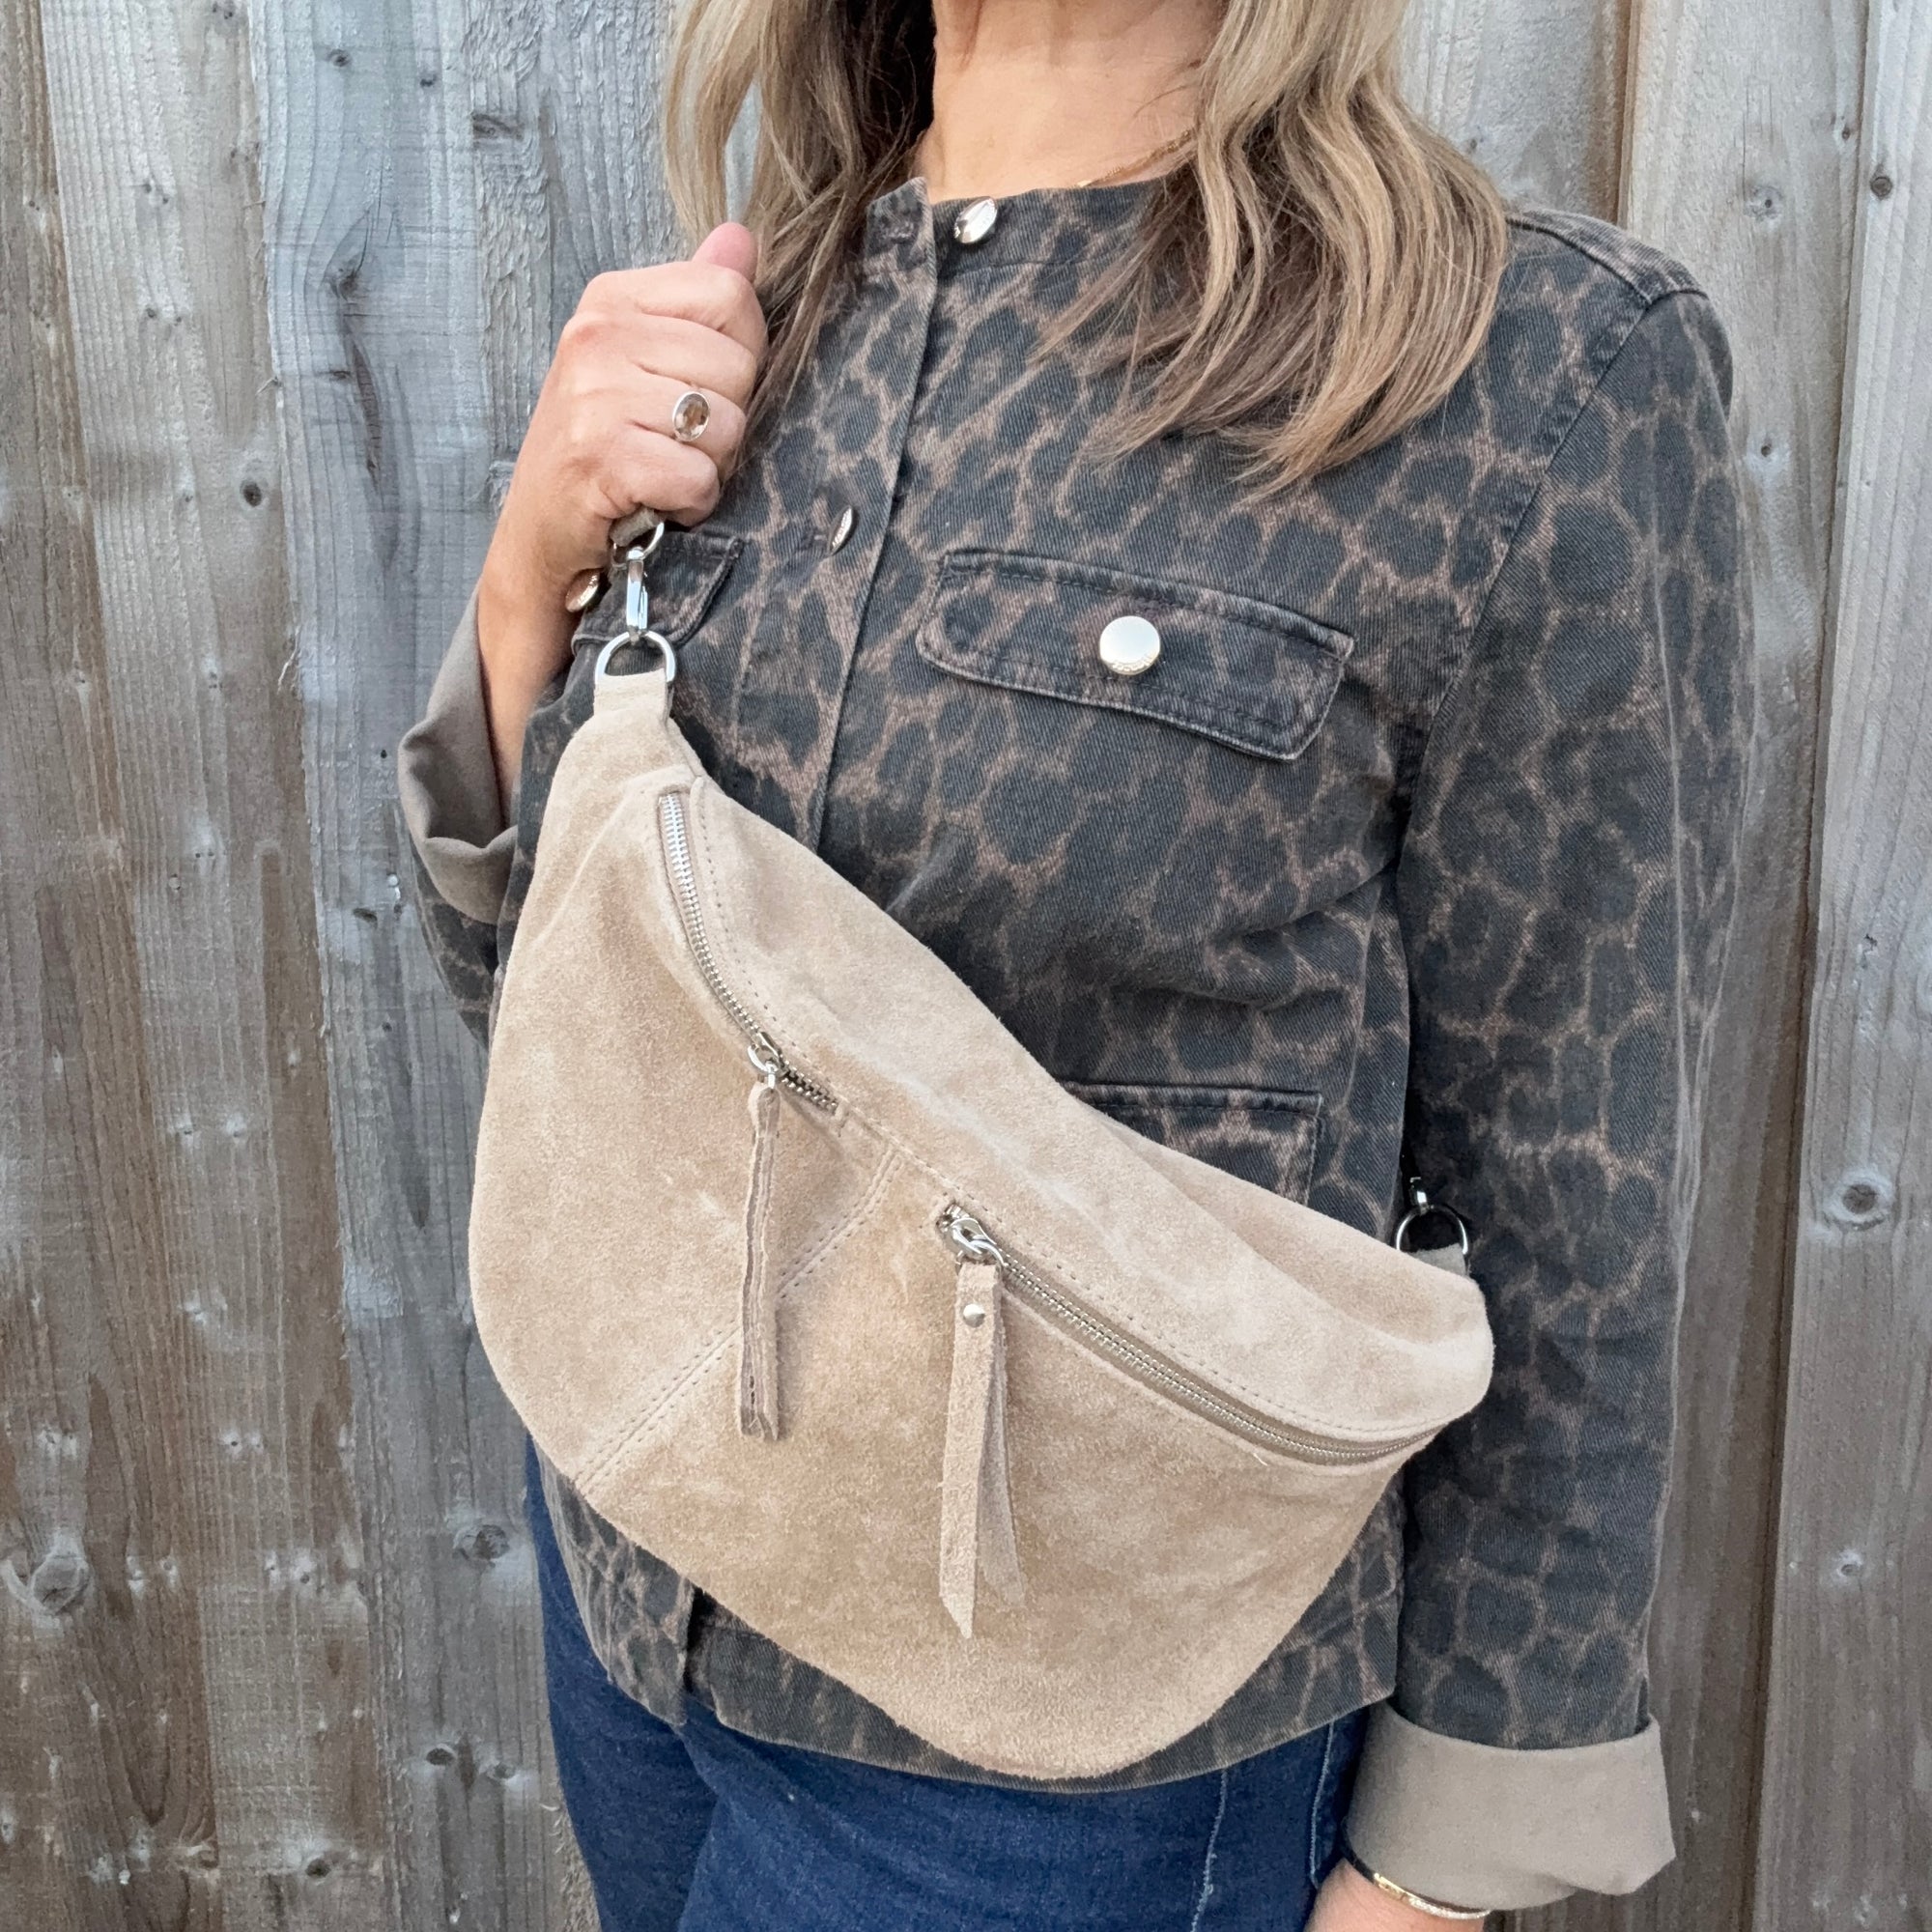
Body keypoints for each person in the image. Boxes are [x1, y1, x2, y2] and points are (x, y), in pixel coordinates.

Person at [397, 0, 1752, 1925]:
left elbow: (1578, 1187)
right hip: (641, 1610)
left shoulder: (1527, 374)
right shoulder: (748, 320)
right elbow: (565, 1010)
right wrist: (533, 573)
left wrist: (1447, 1858)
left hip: (1070, 1765)